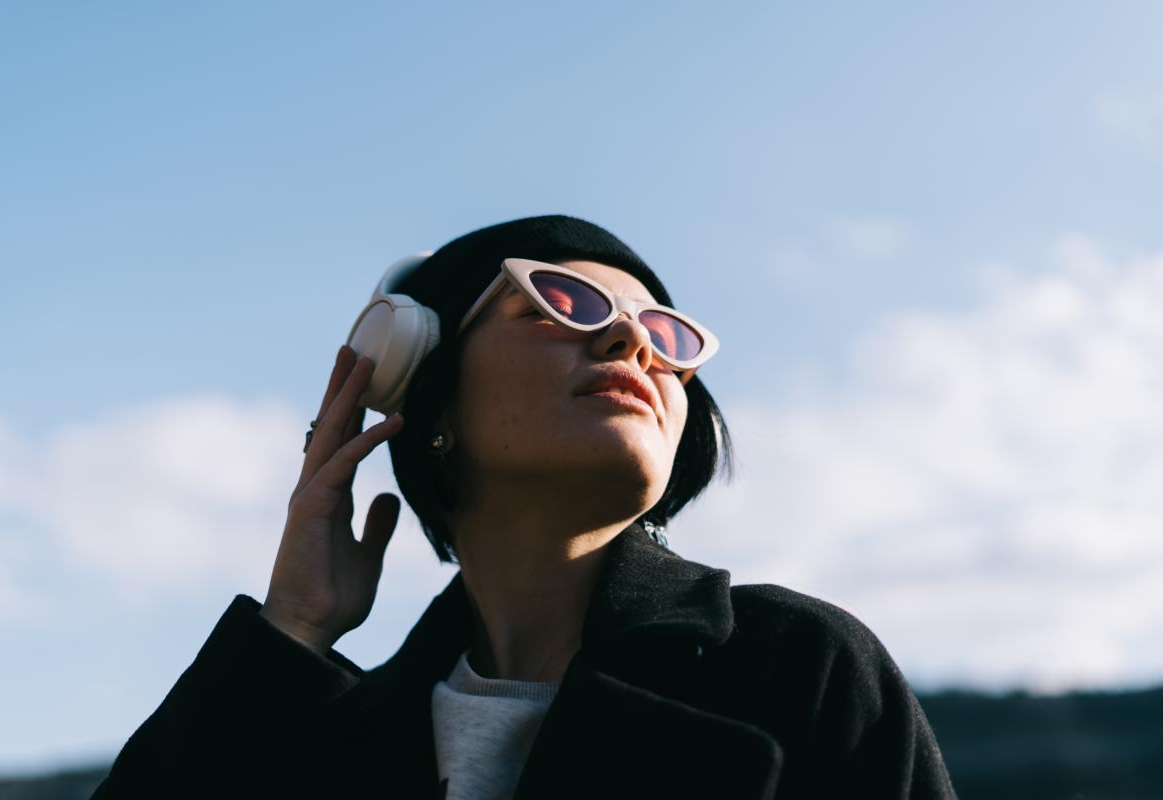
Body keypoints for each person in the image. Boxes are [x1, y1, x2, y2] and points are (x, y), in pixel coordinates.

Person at [91, 215, 957, 799]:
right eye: (561, 301)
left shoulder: (795, 667)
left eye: (666, 335)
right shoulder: (324, 740)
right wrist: (289, 635)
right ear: (424, 386)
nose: (630, 341)